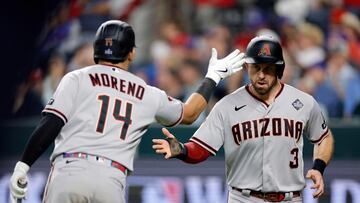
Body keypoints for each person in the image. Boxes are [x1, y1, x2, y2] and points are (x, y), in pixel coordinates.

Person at [9, 20, 245, 203]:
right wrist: (212, 77)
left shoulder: (76, 78)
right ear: (131, 53)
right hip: (111, 180)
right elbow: (191, 113)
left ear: (96, 50)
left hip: (70, 171)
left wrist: (23, 165)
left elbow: (51, 123)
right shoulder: (146, 92)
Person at [153, 35, 335, 203]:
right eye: (256, 68)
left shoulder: (303, 102)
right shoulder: (227, 106)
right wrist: (182, 150)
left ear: (279, 69)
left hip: (290, 198)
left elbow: (324, 137)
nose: (261, 75)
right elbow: (201, 147)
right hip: (244, 198)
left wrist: (319, 167)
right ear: (247, 67)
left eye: (268, 69)